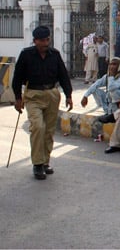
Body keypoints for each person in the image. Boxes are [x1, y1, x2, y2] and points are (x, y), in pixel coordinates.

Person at [12, 26, 73, 180]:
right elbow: (17, 77)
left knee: (49, 130)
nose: (45, 43)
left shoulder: (55, 54)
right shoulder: (26, 55)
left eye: (47, 39)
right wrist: (18, 98)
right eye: (42, 40)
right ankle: (37, 164)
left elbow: (63, 76)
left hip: (52, 94)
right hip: (33, 95)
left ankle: (45, 162)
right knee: (38, 127)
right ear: (35, 41)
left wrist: (69, 95)